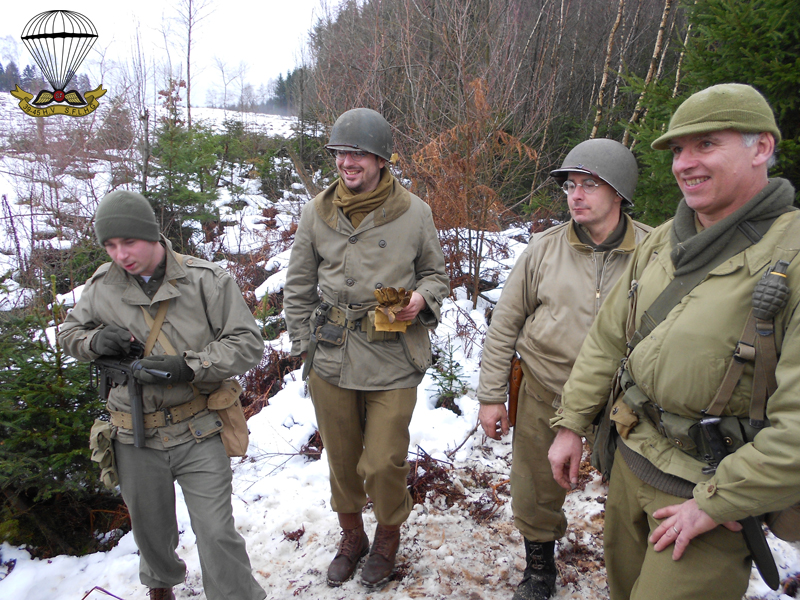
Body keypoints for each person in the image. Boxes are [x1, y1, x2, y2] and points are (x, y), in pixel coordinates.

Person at [548, 83, 796, 600]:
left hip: (709, 493)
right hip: (633, 459)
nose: (685, 162)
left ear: (761, 148)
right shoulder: (662, 241)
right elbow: (608, 339)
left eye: (706, 144)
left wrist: (716, 502)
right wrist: (571, 423)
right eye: (679, 150)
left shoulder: (791, 258)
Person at [58, 191, 266, 600]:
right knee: (151, 532)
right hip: (132, 433)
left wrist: (191, 365)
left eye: (129, 242)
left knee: (216, 532)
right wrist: (98, 340)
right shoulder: (102, 287)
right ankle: (160, 589)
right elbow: (68, 334)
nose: (121, 254)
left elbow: (247, 344)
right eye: (110, 245)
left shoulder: (206, 280)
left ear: (152, 236)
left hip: (198, 426)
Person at [477, 138, 650, 600]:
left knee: (638, 494)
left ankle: (636, 571)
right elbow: (505, 325)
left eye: (589, 185)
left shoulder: (654, 253)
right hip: (545, 389)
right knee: (534, 486)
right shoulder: (543, 249)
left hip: (626, 402)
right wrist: (492, 395)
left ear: (619, 193)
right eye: (571, 185)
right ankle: (539, 566)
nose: (575, 195)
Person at [283, 108, 449, 588]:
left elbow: (436, 275)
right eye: (340, 152)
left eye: (357, 153)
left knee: (381, 461)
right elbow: (298, 286)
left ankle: (388, 538)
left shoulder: (415, 212)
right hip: (332, 352)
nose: (346, 162)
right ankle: (352, 536)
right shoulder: (316, 211)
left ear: (379, 158)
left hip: (393, 353)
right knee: (340, 459)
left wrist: (422, 299)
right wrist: (302, 346)